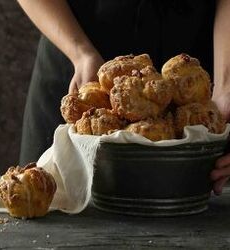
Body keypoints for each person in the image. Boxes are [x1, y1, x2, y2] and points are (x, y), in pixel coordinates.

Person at [17, 0, 230, 195]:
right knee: (49, 204)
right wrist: (80, 54)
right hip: (79, 57)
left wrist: (227, 86)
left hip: (195, 72)